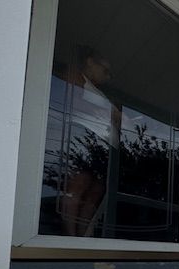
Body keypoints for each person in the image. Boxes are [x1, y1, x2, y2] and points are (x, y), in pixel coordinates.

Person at [59, 46, 120, 236]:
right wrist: (109, 112)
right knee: (77, 188)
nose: (108, 77)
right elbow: (69, 100)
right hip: (83, 139)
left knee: (93, 196)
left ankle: (83, 238)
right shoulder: (75, 76)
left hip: (102, 147)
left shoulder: (97, 91)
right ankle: (70, 238)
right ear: (90, 62)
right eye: (106, 70)